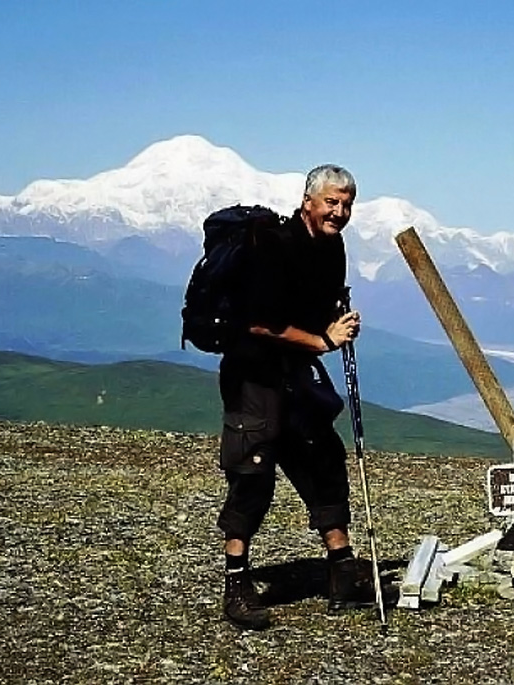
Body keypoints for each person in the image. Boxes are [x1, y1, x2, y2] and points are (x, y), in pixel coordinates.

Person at [215, 164, 374, 630]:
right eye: (331, 202)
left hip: (294, 371)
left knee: (323, 458)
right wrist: (324, 341)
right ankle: (237, 584)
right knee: (253, 471)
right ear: (308, 202)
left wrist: (337, 324)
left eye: (346, 204)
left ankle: (342, 569)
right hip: (253, 373)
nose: (339, 212)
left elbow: (317, 309)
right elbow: (260, 323)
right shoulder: (272, 246)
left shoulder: (332, 248)